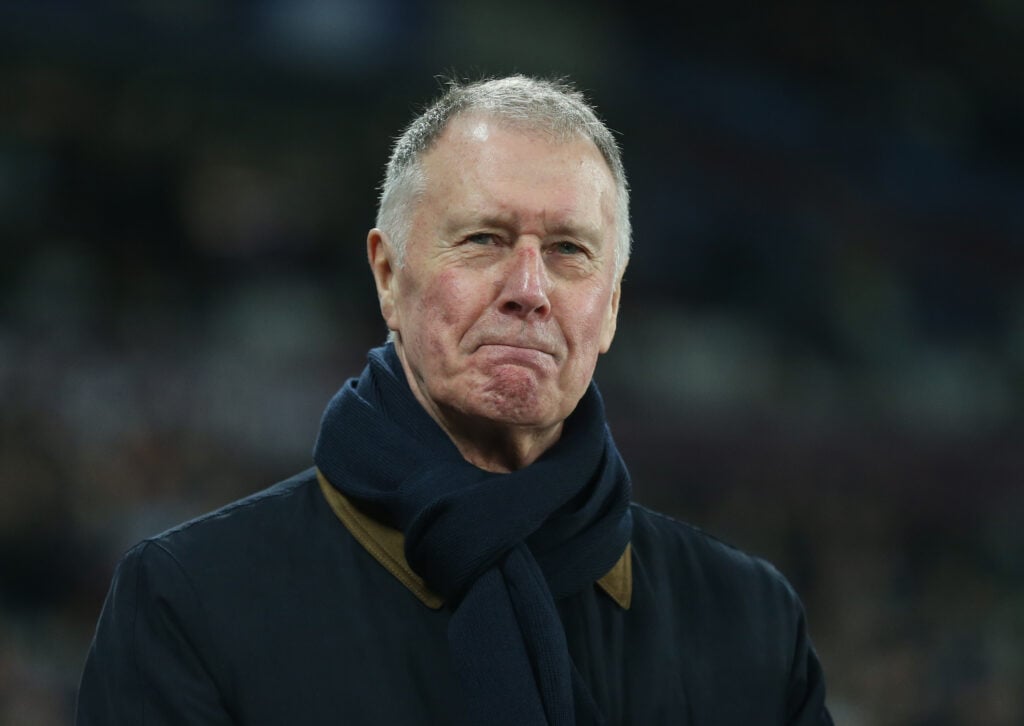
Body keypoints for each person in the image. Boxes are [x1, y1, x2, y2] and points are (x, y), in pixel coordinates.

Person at [77, 75, 833, 725]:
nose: (529, 291)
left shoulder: (750, 622)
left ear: (609, 308)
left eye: (569, 251)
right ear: (386, 275)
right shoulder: (194, 601)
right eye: (482, 239)